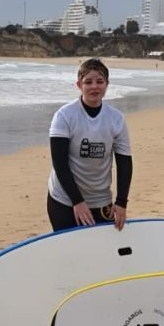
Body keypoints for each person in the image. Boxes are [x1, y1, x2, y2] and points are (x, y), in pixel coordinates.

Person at [46, 58, 133, 232]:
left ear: (107, 84)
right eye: (88, 82)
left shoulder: (116, 119)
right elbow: (60, 163)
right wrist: (77, 202)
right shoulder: (64, 116)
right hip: (64, 198)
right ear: (79, 85)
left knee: (102, 251)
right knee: (70, 252)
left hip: (100, 198)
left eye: (100, 81)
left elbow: (124, 162)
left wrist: (121, 202)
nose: (94, 87)